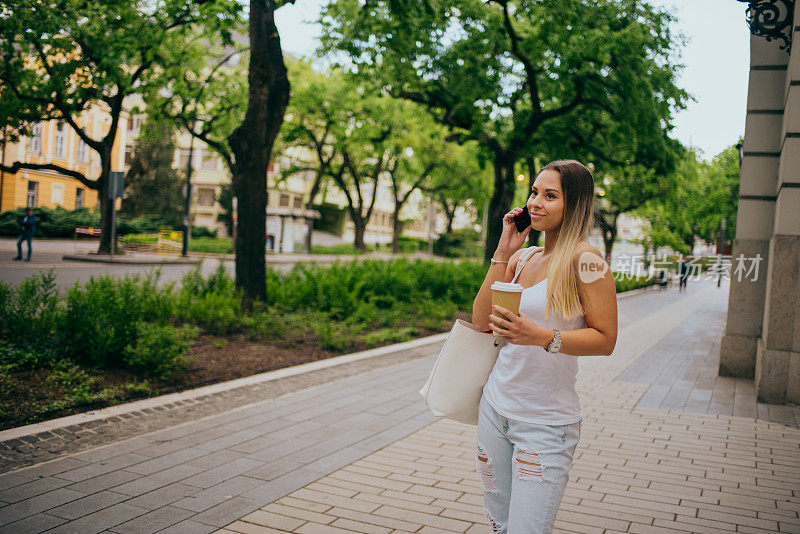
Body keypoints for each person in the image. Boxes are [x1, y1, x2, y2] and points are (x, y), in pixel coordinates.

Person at [471, 160, 618, 533]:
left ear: (576, 204)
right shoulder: (524, 257)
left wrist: (541, 337)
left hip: (545, 425)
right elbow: (479, 320)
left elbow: (606, 339)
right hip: (495, 410)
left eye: (550, 196)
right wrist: (503, 251)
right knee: (500, 525)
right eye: (534, 192)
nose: (535, 202)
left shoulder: (587, 260)